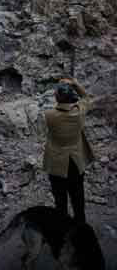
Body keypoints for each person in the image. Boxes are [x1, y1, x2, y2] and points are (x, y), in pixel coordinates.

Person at [43, 78, 95, 223]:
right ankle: (81, 230)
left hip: (56, 165)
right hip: (75, 162)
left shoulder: (49, 115)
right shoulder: (79, 112)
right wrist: (74, 83)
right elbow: (86, 97)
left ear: (57, 97)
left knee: (60, 202)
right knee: (78, 199)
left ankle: (62, 231)